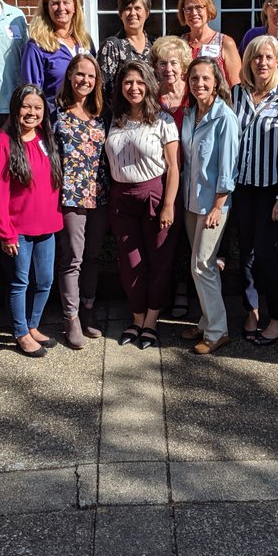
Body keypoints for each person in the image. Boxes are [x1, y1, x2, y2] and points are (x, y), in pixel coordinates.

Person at [105, 60, 180, 349]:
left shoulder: (164, 120)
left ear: (148, 84)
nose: (133, 88)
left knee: (159, 262)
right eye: (127, 82)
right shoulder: (114, 118)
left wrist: (169, 205)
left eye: (139, 82)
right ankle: (136, 318)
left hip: (155, 196)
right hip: (121, 199)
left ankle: (151, 321)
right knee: (130, 263)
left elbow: (173, 167)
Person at [232, 35, 278, 346]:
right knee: (244, 254)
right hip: (240, 189)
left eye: (268, 57)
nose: (261, 63)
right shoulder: (236, 95)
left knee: (265, 256)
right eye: (256, 57)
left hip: (270, 192)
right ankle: (252, 309)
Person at [0, 84, 64, 358]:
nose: (32, 113)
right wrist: (5, 232)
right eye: (26, 106)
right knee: (20, 282)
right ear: (15, 108)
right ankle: (20, 331)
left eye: (38, 108)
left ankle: (33, 325)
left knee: (44, 280)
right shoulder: (1, 144)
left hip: (47, 225)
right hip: (17, 229)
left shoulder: (45, 137)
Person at [178, 56, 239, 355]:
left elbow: (228, 167)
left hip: (213, 204)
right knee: (197, 266)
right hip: (191, 203)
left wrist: (219, 205)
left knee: (203, 265)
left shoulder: (224, 117)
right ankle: (206, 320)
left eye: (205, 78)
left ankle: (218, 331)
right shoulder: (191, 114)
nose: (199, 83)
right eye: (194, 79)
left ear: (216, 81)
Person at [53, 54, 109, 349]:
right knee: (72, 258)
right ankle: (70, 318)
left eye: (91, 76)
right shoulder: (57, 113)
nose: (85, 81)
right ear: (70, 76)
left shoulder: (102, 115)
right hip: (71, 197)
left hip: (99, 196)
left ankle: (88, 310)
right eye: (79, 75)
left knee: (93, 257)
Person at [22, 0, 94, 100]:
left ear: (75, 7)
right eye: (55, 3)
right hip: (54, 116)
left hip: (85, 115)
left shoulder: (86, 42)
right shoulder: (36, 46)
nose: (61, 8)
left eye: (66, 3)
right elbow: (31, 94)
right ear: (47, 8)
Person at [97, 0, 153, 108]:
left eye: (138, 8)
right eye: (127, 8)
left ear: (147, 13)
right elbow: (103, 90)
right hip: (120, 117)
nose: (132, 13)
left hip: (149, 116)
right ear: (120, 13)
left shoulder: (154, 46)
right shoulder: (112, 46)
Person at [179, 0, 242, 88]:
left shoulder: (225, 43)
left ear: (208, 9)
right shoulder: (179, 44)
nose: (194, 13)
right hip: (186, 103)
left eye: (199, 7)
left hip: (217, 102)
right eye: (189, 9)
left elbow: (236, 85)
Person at [152, 34, 192, 133]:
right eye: (163, 64)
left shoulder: (193, 93)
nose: (168, 69)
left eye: (174, 63)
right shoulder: (152, 95)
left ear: (183, 66)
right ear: (156, 67)